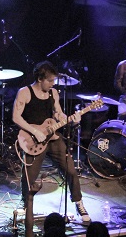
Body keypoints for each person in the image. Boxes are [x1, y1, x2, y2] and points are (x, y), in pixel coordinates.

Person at [12, 60, 90, 223]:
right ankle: (25, 205)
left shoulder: (53, 93)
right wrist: (35, 132)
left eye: (54, 80)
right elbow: (16, 117)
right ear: (40, 79)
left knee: (71, 170)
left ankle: (78, 203)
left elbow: (58, 114)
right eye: (50, 80)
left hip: (53, 137)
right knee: (29, 176)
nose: (53, 83)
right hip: (33, 140)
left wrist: (72, 119)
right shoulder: (25, 92)